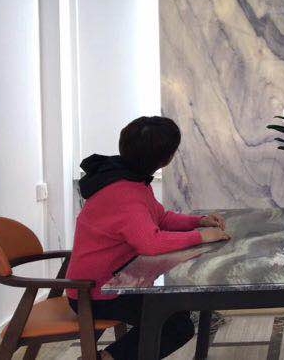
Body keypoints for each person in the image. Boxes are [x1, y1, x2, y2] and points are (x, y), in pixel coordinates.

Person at [66, 116, 231, 360]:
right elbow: (151, 243)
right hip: (95, 294)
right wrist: (202, 236)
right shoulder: (125, 193)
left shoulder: (126, 179)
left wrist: (199, 221)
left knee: (175, 312)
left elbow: (160, 218)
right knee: (176, 325)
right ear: (166, 159)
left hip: (114, 282)